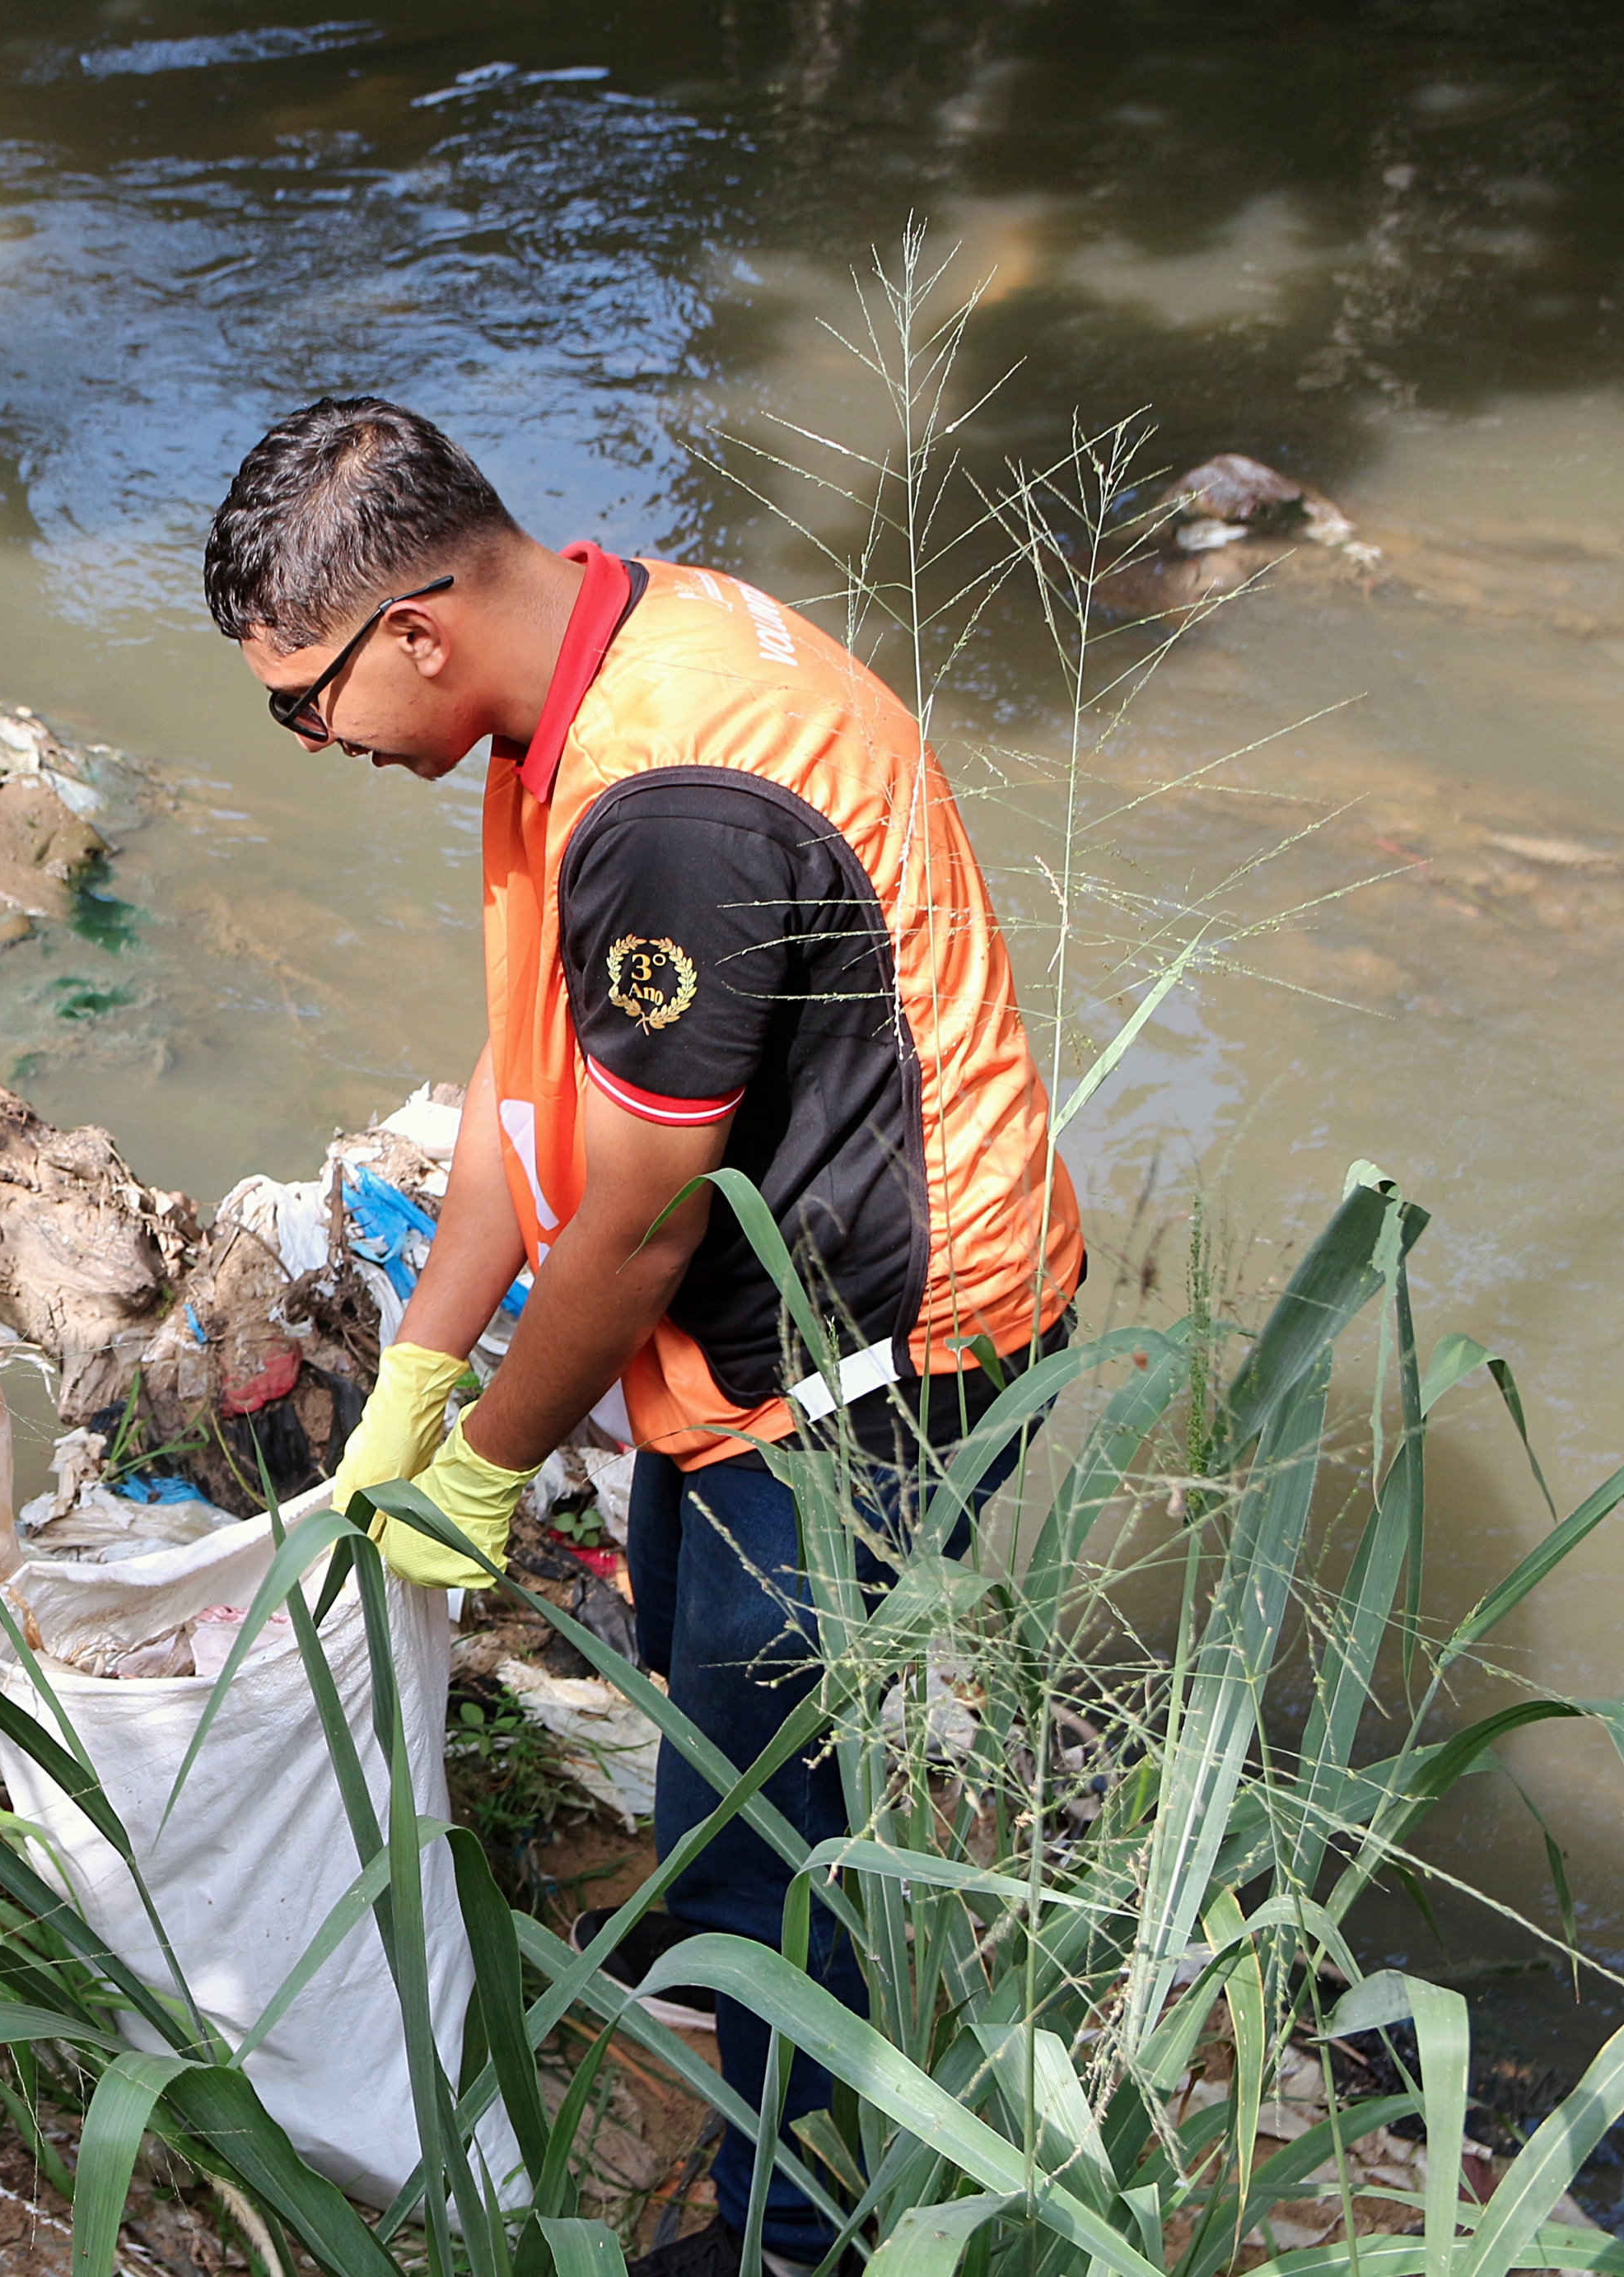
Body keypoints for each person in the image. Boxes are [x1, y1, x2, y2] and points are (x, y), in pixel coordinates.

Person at [208, 399, 1083, 2277]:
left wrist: (483, 1470)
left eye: (303, 702)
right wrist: (423, 1370)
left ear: (416, 630)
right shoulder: (589, 660)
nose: (310, 743)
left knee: (778, 1776)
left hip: (878, 1345)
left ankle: (793, 2225)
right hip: (759, 1322)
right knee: (702, 1660)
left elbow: (634, 1221)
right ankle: (717, 1938)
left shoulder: (669, 793)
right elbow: (531, 1092)